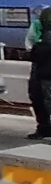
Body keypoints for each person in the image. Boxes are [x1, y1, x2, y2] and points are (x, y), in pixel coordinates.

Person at [29, 8, 51, 140]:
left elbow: (37, 54)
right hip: (44, 74)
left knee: (43, 102)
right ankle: (44, 128)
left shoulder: (46, 37)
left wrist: (36, 49)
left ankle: (44, 128)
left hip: (44, 75)